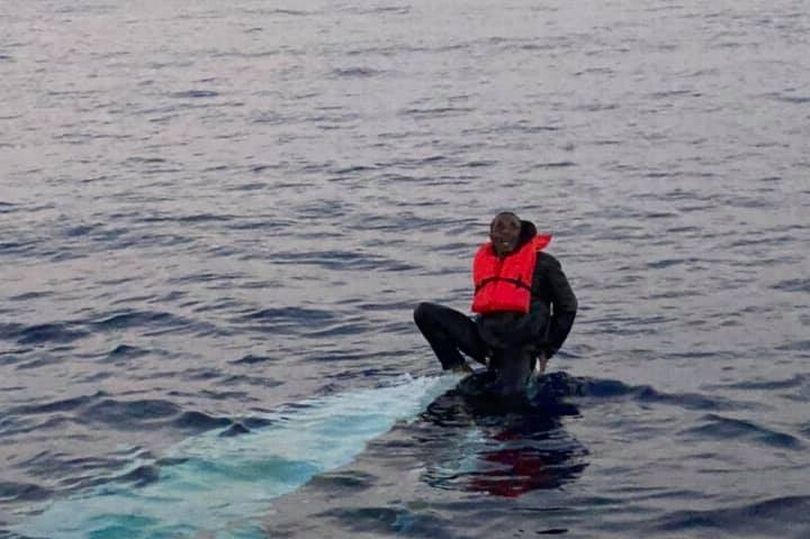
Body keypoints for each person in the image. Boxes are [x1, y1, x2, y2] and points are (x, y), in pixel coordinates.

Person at [413, 211, 577, 397]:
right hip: (485, 343)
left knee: (509, 397)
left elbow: (568, 307)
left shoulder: (545, 263)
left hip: (521, 350)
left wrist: (547, 351)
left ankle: (521, 375)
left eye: (513, 227)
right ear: (491, 235)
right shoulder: (487, 262)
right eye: (499, 227)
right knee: (424, 312)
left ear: (521, 233)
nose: (506, 232)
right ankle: (459, 370)